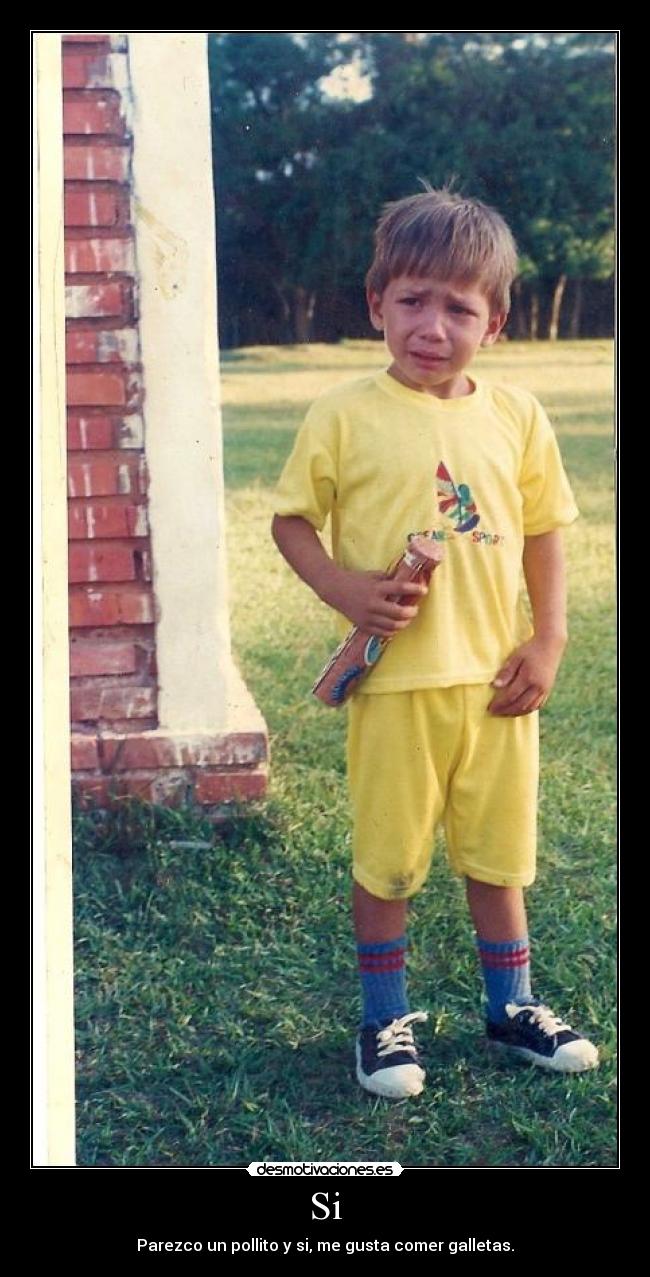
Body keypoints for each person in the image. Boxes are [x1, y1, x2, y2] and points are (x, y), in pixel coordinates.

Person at [271, 187, 599, 1100]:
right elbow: (293, 521)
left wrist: (550, 640)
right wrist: (346, 590)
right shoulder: (343, 412)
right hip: (396, 691)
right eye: (413, 300)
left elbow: (544, 531)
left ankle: (513, 1004)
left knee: (500, 856)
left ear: (494, 322)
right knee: (390, 860)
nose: (433, 324)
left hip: (496, 683)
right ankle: (384, 1020)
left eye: (459, 306)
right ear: (377, 302)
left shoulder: (518, 416)